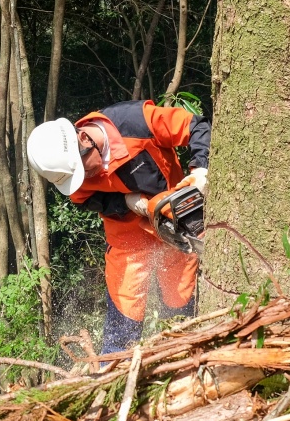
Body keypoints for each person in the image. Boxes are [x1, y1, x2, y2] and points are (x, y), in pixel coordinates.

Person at [27, 100, 210, 354]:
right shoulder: (71, 173)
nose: (84, 178)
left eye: (82, 170)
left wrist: (201, 169)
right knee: (121, 328)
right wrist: (125, 202)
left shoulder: (136, 121)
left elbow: (197, 126)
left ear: (85, 138)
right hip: (128, 242)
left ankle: (183, 360)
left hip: (176, 223)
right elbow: (86, 200)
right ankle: (114, 376)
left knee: (179, 311)